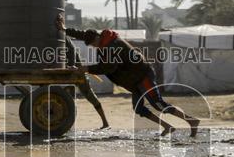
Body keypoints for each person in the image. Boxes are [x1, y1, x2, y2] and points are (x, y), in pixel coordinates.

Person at [55, 14, 199, 137]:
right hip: (134, 81)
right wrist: (65, 30)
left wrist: (85, 68)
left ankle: (191, 120)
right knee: (139, 108)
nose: (94, 47)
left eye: (93, 44)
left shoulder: (112, 46)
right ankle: (168, 127)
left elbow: (108, 68)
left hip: (143, 76)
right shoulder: (103, 42)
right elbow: (84, 34)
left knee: (158, 104)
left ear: (97, 38)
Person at [65, 36, 110, 129]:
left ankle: (105, 123)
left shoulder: (65, 39)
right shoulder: (61, 38)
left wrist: (72, 65)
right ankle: (65, 124)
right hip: (69, 73)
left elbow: (72, 51)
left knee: (90, 96)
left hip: (77, 73)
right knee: (66, 97)